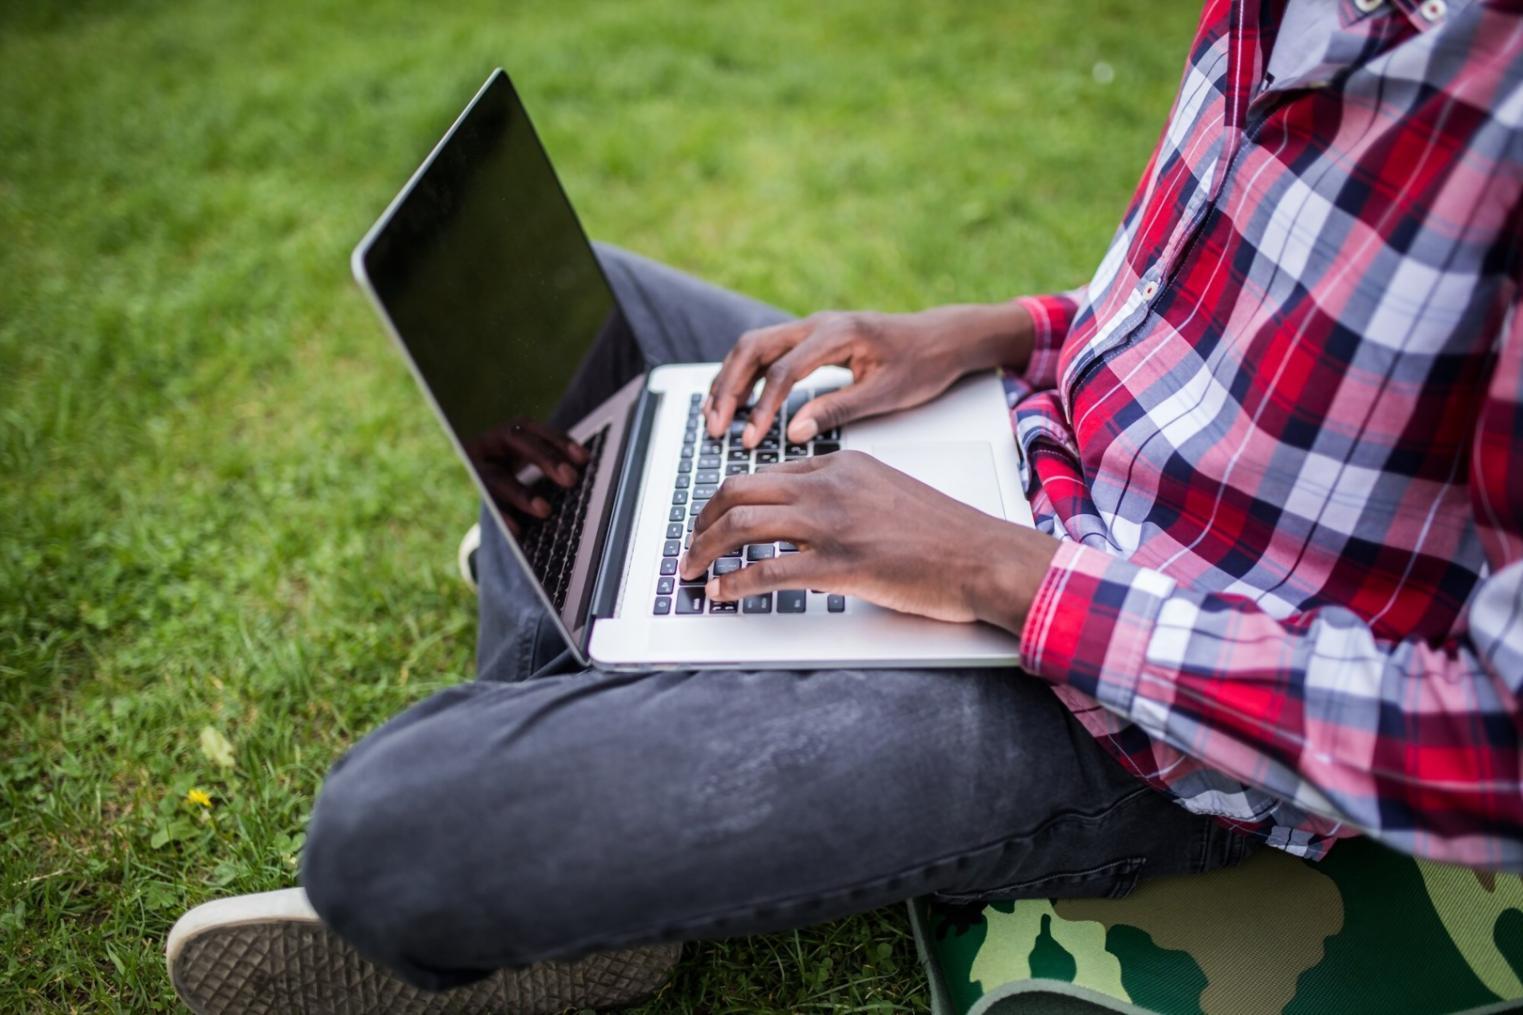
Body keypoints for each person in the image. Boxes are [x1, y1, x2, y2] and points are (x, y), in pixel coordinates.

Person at [168, 0, 1523, 1011]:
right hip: (1010, 448)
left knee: (387, 835)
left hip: (1144, 721)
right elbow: (1216, 324)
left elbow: (1496, 743)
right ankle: (624, 661)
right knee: (589, 306)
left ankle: (597, 712)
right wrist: (995, 332)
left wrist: (1001, 574)